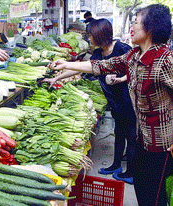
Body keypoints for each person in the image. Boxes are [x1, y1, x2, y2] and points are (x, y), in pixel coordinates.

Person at [49, 4, 173, 205]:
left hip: (162, 146)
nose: (131, 28)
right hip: (143, 139)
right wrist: (66, 64)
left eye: (135, 22)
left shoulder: (165, 60)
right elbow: (100, 65)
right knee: (142, 189)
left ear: (150, 27)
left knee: (155, 196)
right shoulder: (134, 56)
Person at [44, 18, 136, 184]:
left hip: (127, 99)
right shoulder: (98, 54)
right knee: (119, 133)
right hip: (114, 100)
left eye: (91, 35)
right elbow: (84, 66)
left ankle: (131, 172)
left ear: (100, 34)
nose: (89, 39)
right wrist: (57, 77)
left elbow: (136, 72)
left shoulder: (123, 48)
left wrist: (122, 79)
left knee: (131, 135)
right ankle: (116, 165)